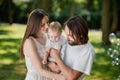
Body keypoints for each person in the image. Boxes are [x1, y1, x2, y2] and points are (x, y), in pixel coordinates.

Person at [20, 9, 65, 80]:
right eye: (43, 25)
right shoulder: (30, 42)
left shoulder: (48, 37)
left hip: (50, 76)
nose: (47, 26)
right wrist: (62, 78)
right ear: (35, 25)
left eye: (47, 22)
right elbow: (40, 70)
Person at [48, 16, 95, 80]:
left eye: (70, 35)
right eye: (66, 34)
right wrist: (50, 64)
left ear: (80, 34)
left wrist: (56, 57)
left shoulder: (88, 51)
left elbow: (71, 77)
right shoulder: (66, 41)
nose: (67, 38)